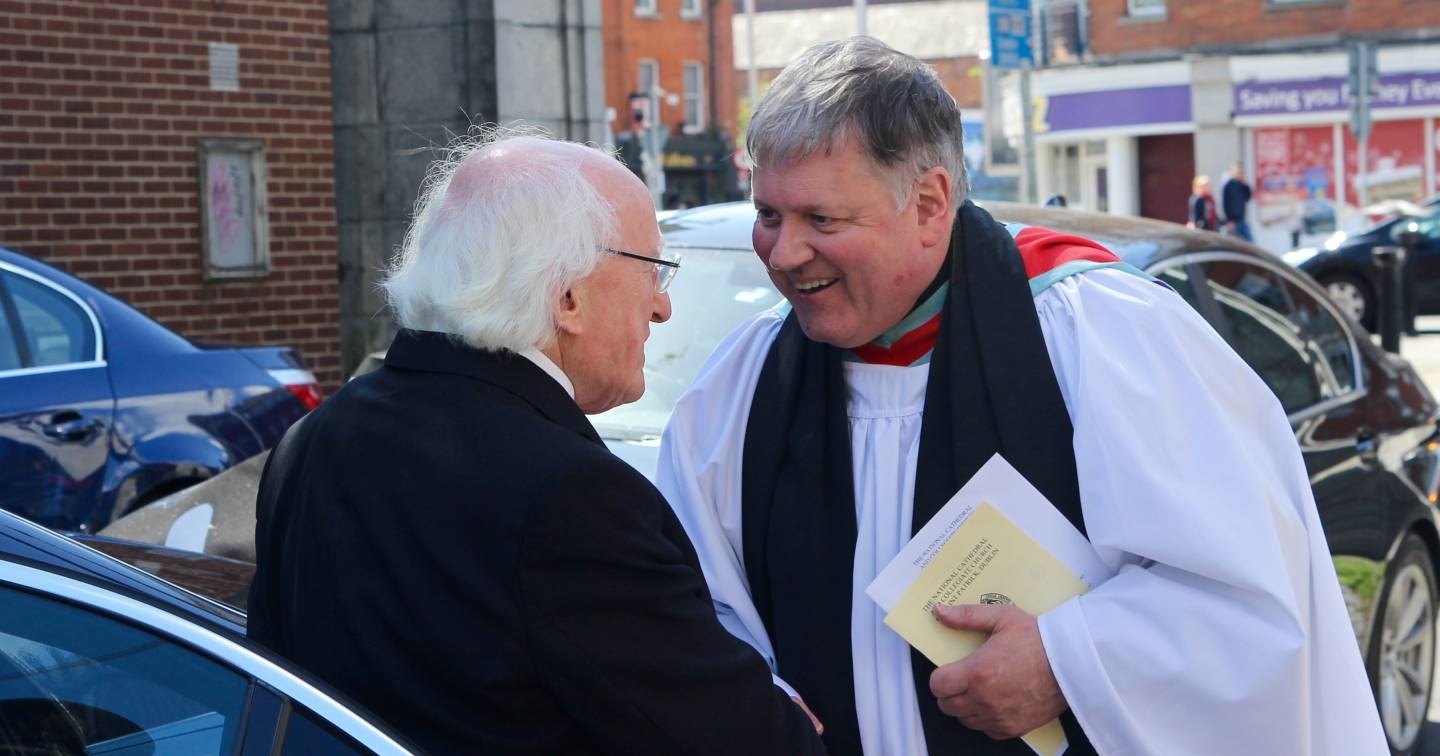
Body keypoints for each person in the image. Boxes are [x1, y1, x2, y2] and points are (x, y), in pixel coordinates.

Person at [657, 37, 1385, 756]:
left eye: (822, 220)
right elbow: (695, 605)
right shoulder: (743, 383)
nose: (784, 255)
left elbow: (1250, 604)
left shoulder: (1102, 336)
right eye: (769, 216)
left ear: (930, 201)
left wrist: (1069, 659)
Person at [248, 132, 827, 756]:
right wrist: (785, 714)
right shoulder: (572, 496)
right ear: (568, 297)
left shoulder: (312, 439)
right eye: (653, 271)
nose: (661, 308)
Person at [1220, 162, 1253, 241]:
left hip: (1241, 219)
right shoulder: (1228, 185)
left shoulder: (1241, 185)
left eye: (1241, 172)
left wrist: (1246, 185)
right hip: (1233, 221)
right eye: (1238, 172)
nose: (1240, 174)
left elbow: (1248, 197)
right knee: (1236, 243)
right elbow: (1225, 204)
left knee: (1250, 242)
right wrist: (1229, 220)